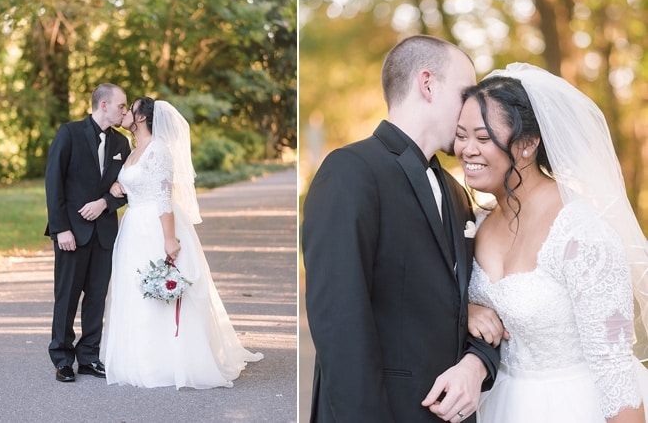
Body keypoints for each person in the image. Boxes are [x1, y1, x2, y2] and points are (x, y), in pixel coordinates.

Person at [302, 35, 500, 422]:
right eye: (466, 93)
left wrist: (477, 356)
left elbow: (455, 298)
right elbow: (339, 322)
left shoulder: (456, 192)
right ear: (428, 84)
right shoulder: (350, 171)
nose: (471, 109)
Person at [455, 63, 648, 422]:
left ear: (528, 144)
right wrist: (468, 311)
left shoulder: (580, 231)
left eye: (483, 138)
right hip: (498, 405)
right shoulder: (476, 223)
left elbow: (614, 368)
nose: (466, 149)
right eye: (460, 135)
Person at [100, 97, 263, 389]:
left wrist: (168, 239)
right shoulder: (134, 150)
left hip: (155, 226)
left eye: (130, 108)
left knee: (161, 286)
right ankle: (140, 357)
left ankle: (169, 360)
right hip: (133, 228)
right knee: (135, 289)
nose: (124, 112)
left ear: (141, 117)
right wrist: (117, 185)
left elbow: (163, 197)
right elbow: (134, 184)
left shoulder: (159, 150)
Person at [44, 83, 131, 382]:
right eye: (121, 105)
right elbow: (53, 183)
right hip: (71, 234)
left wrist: (105, 202)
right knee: (66, 297)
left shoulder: (121, 144)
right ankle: (62, 359)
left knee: (96, 298)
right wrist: (61, 229)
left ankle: (89, 357)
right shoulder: (69, 133)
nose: (125, 111)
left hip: (104, 235)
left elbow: (127, 189)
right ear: (103, 105)